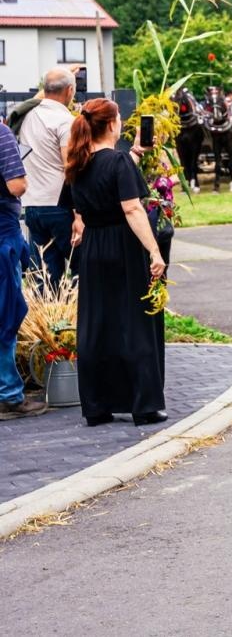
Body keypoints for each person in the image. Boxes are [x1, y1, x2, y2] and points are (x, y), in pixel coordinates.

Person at [65, 99, 167, 426]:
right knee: (134, 322)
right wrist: (154, 250)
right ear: (111, 125)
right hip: (123, 245)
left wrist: (134, 154)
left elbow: (83, 202)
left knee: (96, 324)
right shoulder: (118, 161)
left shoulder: (78, 162)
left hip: (93, 246)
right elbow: (132, 209)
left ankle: (96, 405)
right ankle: (143, 405)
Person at [0, 119, 46, 419]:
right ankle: (9, 395)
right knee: (6, 312)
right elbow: (16, 184)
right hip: (2, 233)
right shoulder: (2, 134)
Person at [17, 67, 76, 283]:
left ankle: (48, 315)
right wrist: (80, 214)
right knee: (79, 266)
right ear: (70, 90)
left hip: (32, 204)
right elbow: (70, 166)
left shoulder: (27, 116)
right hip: (60, 205)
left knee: (46, 273)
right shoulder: (65, 121)